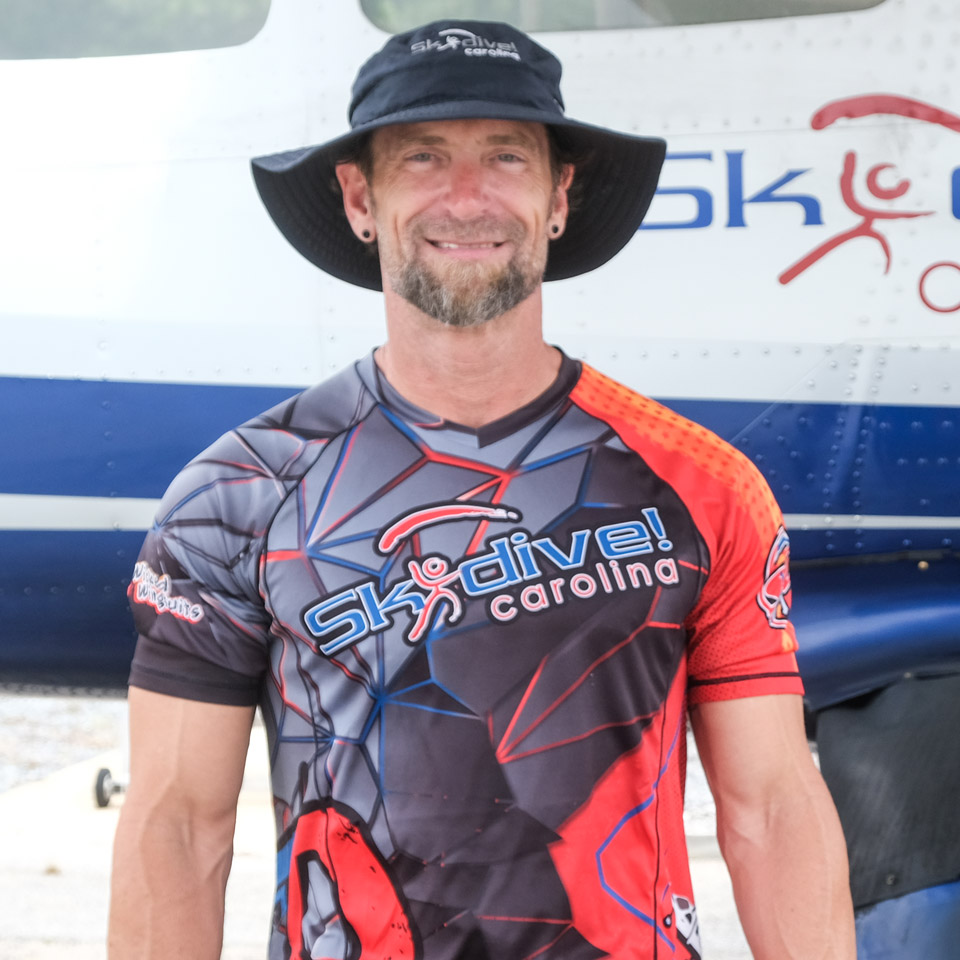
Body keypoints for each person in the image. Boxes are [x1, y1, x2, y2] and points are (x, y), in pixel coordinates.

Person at [109, 19, 855, 960]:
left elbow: (773, 808)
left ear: (557, 198)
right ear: (358, 199)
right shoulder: (238, 494)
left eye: (506, 156)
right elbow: (177, 829)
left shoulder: (705, 485)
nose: (467, 197)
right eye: (422, 157)